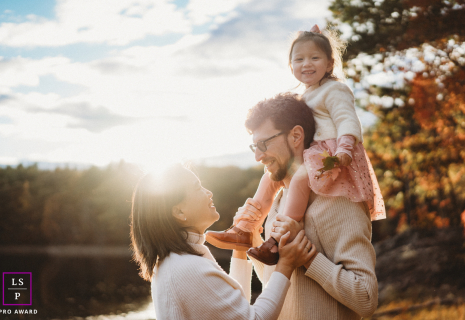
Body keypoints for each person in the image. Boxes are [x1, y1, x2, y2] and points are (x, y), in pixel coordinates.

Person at [206, 25, 385, 265]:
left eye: (314, 57)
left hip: (332, 152)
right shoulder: (305, 95)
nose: (306, 64)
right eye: (299, 59)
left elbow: (347, 120)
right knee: (268, 178)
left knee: (300, 178)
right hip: (313, 152)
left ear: (330, 64)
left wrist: (344, 150)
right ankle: (245, 229)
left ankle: (277, 240)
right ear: (291, 67)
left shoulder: (335, 89)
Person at [207, 92, 379, 319]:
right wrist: (253, 236)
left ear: (296, 136)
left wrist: (308, 257)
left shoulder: (338, 199)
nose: (258, 156)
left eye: (264, 144)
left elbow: (366, 299)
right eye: (254, 147)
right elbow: (273, 279)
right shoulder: (278, 201)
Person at [129, 164, 316, 320]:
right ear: (179, 212)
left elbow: (235, 309)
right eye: (198, 188)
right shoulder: (187, 267)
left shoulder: (179, 261)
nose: (208, 192)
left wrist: (241, 247)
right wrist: (286, 264)